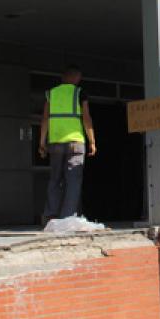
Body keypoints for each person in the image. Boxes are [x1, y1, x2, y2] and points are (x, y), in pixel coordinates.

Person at [38, 65, 97, 222]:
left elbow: (45, 119)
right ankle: (67, 217)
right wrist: (92, 140)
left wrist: (42, 141)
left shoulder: (51, 93)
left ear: (63, 78)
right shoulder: (80, 93)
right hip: (75, 142)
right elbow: (86, 118)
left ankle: (50, 215)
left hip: (55, 142)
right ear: (77, 78)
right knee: (73, 181)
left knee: (55, 179)